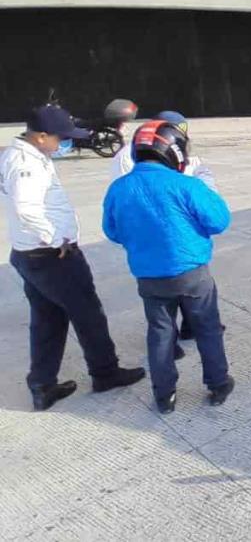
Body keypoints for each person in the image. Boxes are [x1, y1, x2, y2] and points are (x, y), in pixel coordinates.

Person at [0, 105, 146, 411]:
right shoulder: (25, 164)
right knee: (88, 314)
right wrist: (57, 240)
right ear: (41, 136)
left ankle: (42, 385)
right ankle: (105, 373)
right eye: (61, 138)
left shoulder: (24, 155)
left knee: (48, 320)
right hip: (51, 255)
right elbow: (26, 209)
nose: (64, 143)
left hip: (29, 254)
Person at [102, 120, 233, 414]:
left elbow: (112, 230)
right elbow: (219, 221)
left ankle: (165, 396)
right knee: (207, 329)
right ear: (173, 151)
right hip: (192, 274)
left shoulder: (119, 188)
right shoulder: (187, 185)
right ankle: (218, 383)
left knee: (160, 334)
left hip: (149, 276)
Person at [110, 110, 218, 344]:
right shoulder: (129, 157)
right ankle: (214, 377)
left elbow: (112, 228)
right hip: (167, 236)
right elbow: (217, 219)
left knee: (164, 315)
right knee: (186, 301)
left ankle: (175, 349)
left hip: (157, 248)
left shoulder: (172, 156)